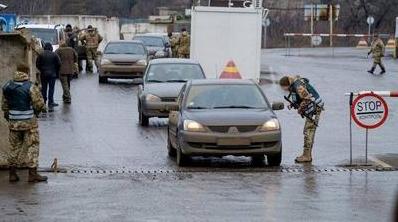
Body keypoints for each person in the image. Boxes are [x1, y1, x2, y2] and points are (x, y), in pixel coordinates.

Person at [2, 64, 47, 183]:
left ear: (17, 71)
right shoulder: (31, 87)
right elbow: (39, 104)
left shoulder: (7, 86)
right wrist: (37, 112)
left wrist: (10, 117)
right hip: (29, 123)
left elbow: (4, 106)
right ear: (27, 72)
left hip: (14, 123)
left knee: (14, 148)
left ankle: (12, 173)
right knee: (33, 146)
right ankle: (32, 174)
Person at [279, 75, 324, 163]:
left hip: (314, 108)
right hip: (313, 108)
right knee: (307, 131)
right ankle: (306, 154)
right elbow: (299, 98)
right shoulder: (294, 85)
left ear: (287, 84)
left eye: (283, 88)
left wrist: (300, 109)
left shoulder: (298, 86)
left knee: (308, 131)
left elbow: (307, 99)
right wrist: (293, 104)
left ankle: (307, 156)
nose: (284, 90)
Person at [36, 42, 61, 110]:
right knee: (51, 88)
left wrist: (41, 69)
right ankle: (51, 102)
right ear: (51, 47)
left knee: (44, 88)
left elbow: (37, 64)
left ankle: (43, 101)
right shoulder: (54, 55)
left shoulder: (41, 55)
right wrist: (56, 70)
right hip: (52, 74)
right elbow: (59, 64)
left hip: (43, 74)